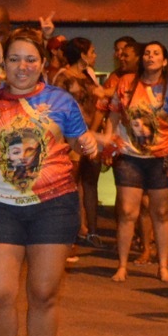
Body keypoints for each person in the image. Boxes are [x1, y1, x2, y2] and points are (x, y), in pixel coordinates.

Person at [0, 29, 99, 336]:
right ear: (2, 64)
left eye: (30, 59)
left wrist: (89, 143)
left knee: (43, 294)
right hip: (2, 205)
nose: (22, 66)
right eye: (14, 59)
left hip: (54, 205)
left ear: (43, 64)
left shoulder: (60, 101)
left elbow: (80, 140)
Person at [106, 40, 168, 283]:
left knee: (161, 213)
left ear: (165, 61)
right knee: (127, 212)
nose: (150, 56)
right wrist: (108, 143)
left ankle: (162, 266)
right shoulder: (126, 82)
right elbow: (114, 114)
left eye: (156, 53)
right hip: (129, 156)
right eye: (147, 53)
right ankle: (122, 265)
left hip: (162, 156)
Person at [53, 36, 106, 247]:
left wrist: (94, 131)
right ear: (83, 55)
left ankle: (92, 231)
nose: (95, 56)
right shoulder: (63, 77)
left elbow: (100, 103)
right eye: (92, 52)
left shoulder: (88, 77)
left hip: (91, 136)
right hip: (71, 138)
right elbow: (57, 109)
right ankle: (69, 233)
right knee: (71, 185)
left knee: (91, 183)